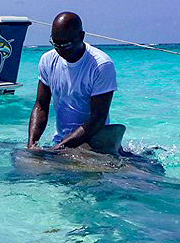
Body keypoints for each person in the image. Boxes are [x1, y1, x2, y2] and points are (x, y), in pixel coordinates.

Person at [27, 12, 122, 153]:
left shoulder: (101, 65)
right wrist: (32, 144)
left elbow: (98, 118)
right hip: (61, 141)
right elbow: (41, 106)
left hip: (95, 143)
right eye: (55, 44)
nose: (60, 50)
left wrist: (58, 149)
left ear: (81, 36)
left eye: (65, 45)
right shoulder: (47, 60)